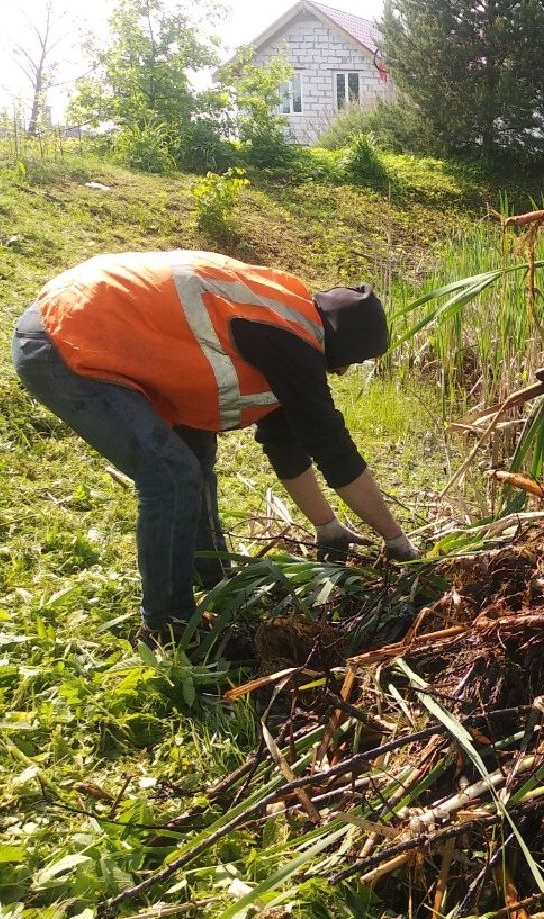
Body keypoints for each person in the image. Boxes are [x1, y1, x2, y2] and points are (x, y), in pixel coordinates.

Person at [11, 250, 419, 640]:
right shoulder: (293, 343)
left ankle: (212, 575)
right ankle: (167, 624)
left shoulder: (289, 315)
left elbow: (286, 447)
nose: (346, 372)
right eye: (354, 361)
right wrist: (397, 541)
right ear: (345, 346)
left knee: (195, 456)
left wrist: (327, 529)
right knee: (171, 476)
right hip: (66, 338)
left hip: (103, 327)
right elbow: (335, 453)